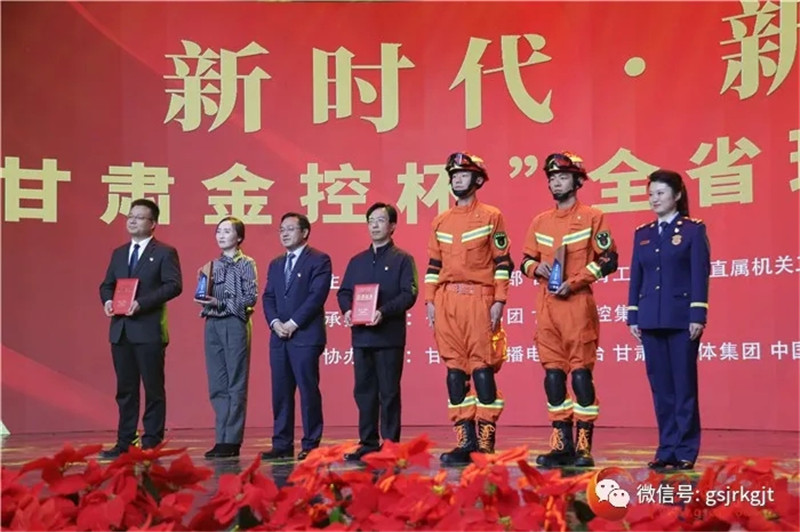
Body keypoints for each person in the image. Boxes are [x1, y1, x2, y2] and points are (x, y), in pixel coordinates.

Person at [520, 151, 618, 468]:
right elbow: (524, 260)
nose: (556, 183)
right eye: (552, 178)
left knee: (580, 375)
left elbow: (609, 260)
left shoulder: (593, 217)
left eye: (562, 177)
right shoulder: (540, 221)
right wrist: (535, 269)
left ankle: (583, 446)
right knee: (553, 376)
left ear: (577, 182)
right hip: (547, 306)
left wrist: (575, 282)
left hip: (576, 305)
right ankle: (561, 444)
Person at [424, 152, 513, 466]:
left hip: (479, 299)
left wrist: (499, 300)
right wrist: (430, 300)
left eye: (463, 174)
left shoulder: (491, 216)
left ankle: (486, 443)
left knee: (482, 368)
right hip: (447, 301)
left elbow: (503, 262)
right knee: (454, 372)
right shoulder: (440, 221)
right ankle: (465, 442)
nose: (457, 179)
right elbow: (433, 265)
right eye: (453, 175)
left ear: (477, 180)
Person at [627, 169, 710, 471]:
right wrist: (633, 314)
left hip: (681, 320)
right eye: (651, 194)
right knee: (661, 389)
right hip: (650, 319)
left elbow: (700, 274)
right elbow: (637, 276)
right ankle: (666, 449)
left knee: (684, 387)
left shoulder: (692, 230)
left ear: (677, 195)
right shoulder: (643, 234)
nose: (654, 199)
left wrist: (697, 314)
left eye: (660, 193)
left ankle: (685, 450)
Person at [98, 198, 183, 458]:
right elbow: (106, 285)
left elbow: (174, 285)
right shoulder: (119, 253)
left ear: (153, 223)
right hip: (121, 330)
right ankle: (125, 441)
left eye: (139, 217)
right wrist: (108, 301)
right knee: (125, 390)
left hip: (148, 331)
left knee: (153, 389)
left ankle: (152, 441)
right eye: (130, 216)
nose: (132, 221)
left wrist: (141, 303)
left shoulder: (165, 252)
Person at [337, 202, 418, 462]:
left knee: (389, 392)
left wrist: (383, 311)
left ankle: (391, 444)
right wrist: (347, 310)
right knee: (364, 392)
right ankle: (368, 442)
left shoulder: (403, 259)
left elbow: (409, 294)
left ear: (392, 226)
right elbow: (344, 292)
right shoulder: (357, 261)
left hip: (388, 336)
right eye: (371, 220)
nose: (374, 225)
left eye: (380, 220)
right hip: (362, 337)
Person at [261, 212, 332, 461]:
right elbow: (268, 297)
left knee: (308, 390)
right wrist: (275, 323)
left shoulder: (319, 260)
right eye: (281, 229)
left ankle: (311, 444)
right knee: (280, 393)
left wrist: (293, 323)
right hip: (279, 336)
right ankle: (282, 443)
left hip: (305, 336)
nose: (284, 233)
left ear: (304, 232)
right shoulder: (276, 263)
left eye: (290, 229)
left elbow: (316, 296)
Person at [195, 217, 258, 459]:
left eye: (227, 231)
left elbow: (250, 298)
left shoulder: (247, 264)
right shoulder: (210, 266)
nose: (221, 235)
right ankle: (220, 438)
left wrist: (220, 302)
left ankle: (232, 439)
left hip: (235, 322)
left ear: (239, 237)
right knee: (217, 383)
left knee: (235, 382)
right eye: (218, 231)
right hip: (212, 323)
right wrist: (203, 296)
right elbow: (203, 295)